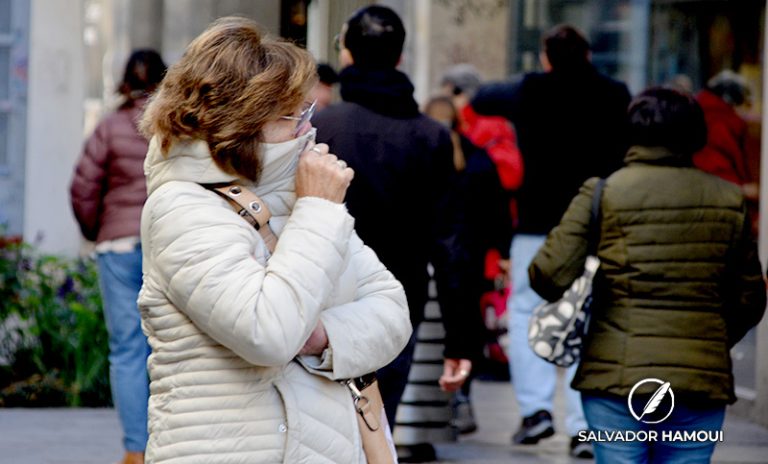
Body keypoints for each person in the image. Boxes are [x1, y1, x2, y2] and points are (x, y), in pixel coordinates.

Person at [136, 17, 412, 463]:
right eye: (291, 114)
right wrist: (318, 210)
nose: (306, 127)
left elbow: (392, 309)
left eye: (307, 110)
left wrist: (323, 337)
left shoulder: (298, 195)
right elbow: (269, 333)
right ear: (241, 121)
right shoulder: (181, 208)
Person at [529, 87, 766, 464]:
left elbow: (548, 275)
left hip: (615, 379)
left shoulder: (603, 193)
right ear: (696, 135)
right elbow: (750, 298)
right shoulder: (728, 198)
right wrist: (709, 338)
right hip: (699, 380)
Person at [313, 6, 481, 462]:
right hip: (399, 300)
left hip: (324, 294)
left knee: (323, 431)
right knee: (376, 426)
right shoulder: (430, 136)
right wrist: (460, 338)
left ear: (347, 54)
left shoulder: (323, 128)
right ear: (400, 56)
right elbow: (452, 244)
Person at [472, 24, 631, 458]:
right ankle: (584, 426)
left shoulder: (529, 90)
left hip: (536, 222)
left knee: (528, 311)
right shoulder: (613, 93)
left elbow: (482, 98)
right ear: (589, 55)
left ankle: (536, 412)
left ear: (546, 57)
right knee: (589, 316)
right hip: (597, 222)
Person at [70, 49, 166, 464]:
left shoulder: (109, 127)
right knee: (169, 345)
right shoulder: (173, 126)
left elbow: (83, 188)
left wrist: (99, 231)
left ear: (125, 81)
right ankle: (166, 444)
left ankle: (135, 450)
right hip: (164, 242)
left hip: (119, 247)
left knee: (127, 350)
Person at [424, 95, 513, 435]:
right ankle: (461, 396)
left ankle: (425, 402)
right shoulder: (479, 158)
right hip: (467, 258)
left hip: (425, 254)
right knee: (464, 327)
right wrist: (502, 252)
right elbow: (498, 210)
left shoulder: (421, 153)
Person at [693, 70, 760, 235]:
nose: (750, 113)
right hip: (720, 220)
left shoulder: (704, 117)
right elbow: (714, 173)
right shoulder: (721, 125)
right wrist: (744, 190)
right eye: (747, 104)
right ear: (733, 102)